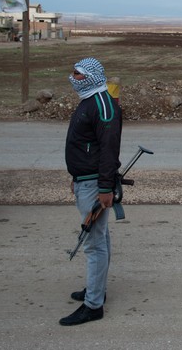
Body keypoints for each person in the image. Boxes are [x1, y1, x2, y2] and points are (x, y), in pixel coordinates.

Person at [60, 57, 122, 326]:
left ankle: (93, 304)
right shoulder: (88, 100)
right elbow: (86, 145)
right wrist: (76, 176)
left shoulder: (103, 105)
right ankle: (96, 289)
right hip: (85, 180)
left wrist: (105, 188)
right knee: (100, 238)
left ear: (92, 76)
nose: (73, 76)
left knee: (94, 244)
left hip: (96, 185)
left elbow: (109, 150)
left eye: (78, 73)